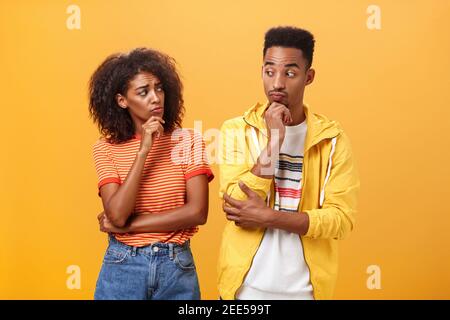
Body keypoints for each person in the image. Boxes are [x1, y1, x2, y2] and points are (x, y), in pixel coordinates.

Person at [217, 26, 360, 300]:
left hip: (305, 292)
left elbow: (341, 219)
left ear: (309, 77)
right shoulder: (237, 129)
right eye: (269, 71)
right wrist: (274, 141)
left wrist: (268, 217)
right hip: (243, 291)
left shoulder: (332, 140)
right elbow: (234, 202)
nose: (277, 83)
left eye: (290, 73)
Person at [88, 48, 214, 300]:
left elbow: (197, 212)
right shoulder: (105, 149)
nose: (156, 98)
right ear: (122, 100)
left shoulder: (187, 141)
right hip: (123, 264)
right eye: (143, 92)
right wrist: (144, 149)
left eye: (159, 88)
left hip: (176, 266)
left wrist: (127, 226)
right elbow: (117, 213)